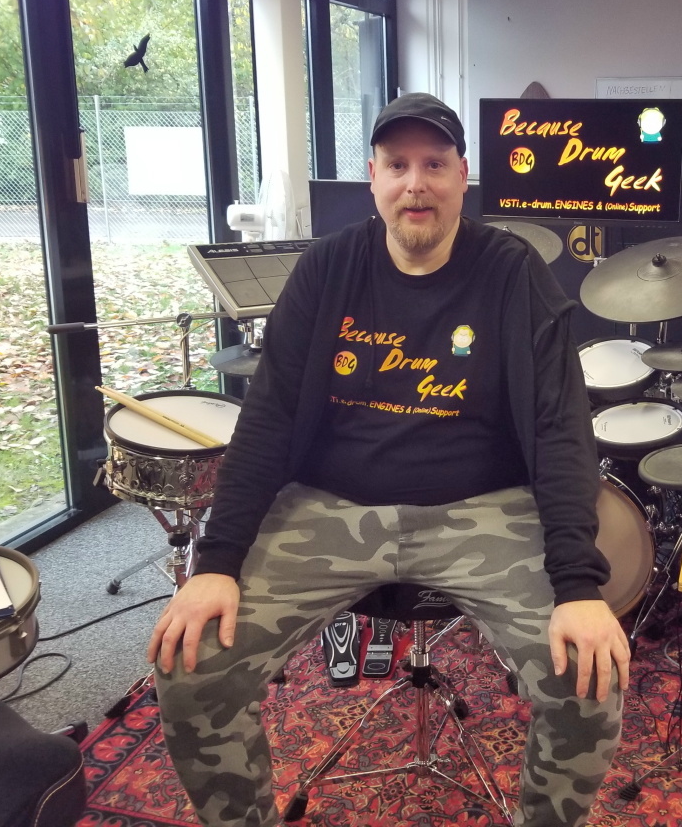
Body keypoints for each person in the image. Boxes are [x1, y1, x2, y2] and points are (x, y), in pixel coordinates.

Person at [148, 92, 631, 827]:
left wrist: (578, 585)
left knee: (589, 682)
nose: (416, 184)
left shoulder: (512, 271)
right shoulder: (327, 268)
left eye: (434, 164)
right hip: (330, 504)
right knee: (191, 666)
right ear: (372, 177)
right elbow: (268, 419)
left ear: (462, 176)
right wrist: (215, 562)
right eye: (397, 165)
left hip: (483, 509)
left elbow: (560, 428)